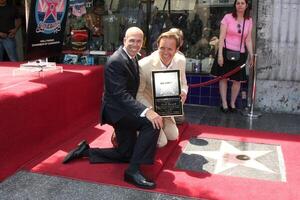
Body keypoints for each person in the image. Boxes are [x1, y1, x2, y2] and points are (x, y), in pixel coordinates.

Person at [63, 27, 163, 190]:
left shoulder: (132, 56)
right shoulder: (116, 61)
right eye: (132, 40)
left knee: (125, 154)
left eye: (139, 41)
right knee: (151, 123)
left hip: (124, 109)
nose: (135, 44)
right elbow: (120, 94)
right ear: (124, 40)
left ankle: (86, 152)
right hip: (117, 112)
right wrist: (146, 111)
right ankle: (132, 171)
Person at [137, 31, 188, 148]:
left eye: (170, 49)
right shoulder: (143, 65)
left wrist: (183, 92)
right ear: (157, 47)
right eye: (162, 48)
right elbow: (138, 94)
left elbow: (184, 84)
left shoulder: (181, 60)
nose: (165, 52)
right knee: (161, 143)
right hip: (150, 110)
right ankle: (135, 131)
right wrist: (150, 112)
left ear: (177, 49)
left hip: (166, 109)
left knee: (173, 136)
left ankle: (159, 128)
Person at [210, 0, 253, 113]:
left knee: (237, 81)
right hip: (225, 51)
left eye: (242, 3)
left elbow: (248, 40)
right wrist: (220, 55)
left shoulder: (249, 21)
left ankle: (232, 103)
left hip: (240, 53)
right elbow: (222, 37)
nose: (240, 5)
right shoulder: (227, 17)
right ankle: (224, 103)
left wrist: (252, 55)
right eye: (238, 3)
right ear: (235, 5)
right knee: (223, 78)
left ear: (246, 5)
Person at [169, 28, 187, 125]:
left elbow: (183, 81)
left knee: (179, 119)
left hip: (174, 97)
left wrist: (183, 92)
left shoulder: (181, 58)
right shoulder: (159, 54)